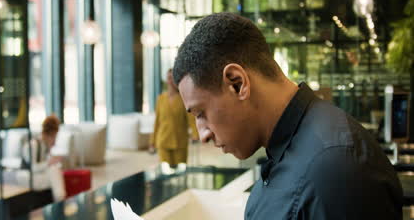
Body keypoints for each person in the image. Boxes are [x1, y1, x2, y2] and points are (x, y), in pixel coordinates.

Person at [172, 12, 403, 219]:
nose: (202, 134)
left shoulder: (335, 172)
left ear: (237, 83)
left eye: (201, 113)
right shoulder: (291, 150)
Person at [150, 69, 199, 168]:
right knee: (165, 172)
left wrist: (195, 134)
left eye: (173, 78)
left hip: (180, 142)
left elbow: (191, 119)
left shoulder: (183, 98)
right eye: (169, 78)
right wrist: (152, 142)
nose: (171, 80)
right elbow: (157, 122)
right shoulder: (160, 99)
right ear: (166, 80)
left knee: (180, 172)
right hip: (163, 141)